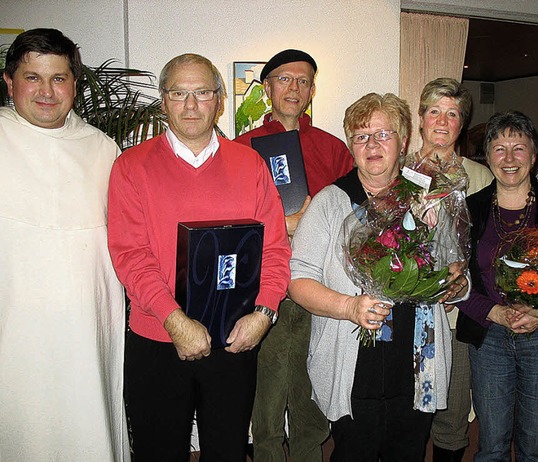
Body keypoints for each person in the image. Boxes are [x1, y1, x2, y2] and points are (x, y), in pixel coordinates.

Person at [107, 53, 290, 462]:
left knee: (226, 451)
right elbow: (131, 256)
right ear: (163, 100)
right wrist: (175, 320)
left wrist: (264, 314)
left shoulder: (251, 164)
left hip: (235, 338)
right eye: (179, 93)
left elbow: (276, 250)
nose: (191, 105)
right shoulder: (131, 167)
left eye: (202, 92)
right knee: (158, 452)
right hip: (157, 338)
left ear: (219, 99)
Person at [288, 93, 469, 462]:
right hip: (353, 370)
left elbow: (453, 265)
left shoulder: (427, 199)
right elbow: (297, 281)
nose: (372, 144)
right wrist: (349, 306)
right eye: (361, 136)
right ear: (351, 145)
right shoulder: (330, 201)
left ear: (403, 141)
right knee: (354, 451)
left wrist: (457, 285)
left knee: (409, 452)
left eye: (384, 134)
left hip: (417, 367)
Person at [0, 28, 129, 461]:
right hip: (12, 328)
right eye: (32, 77)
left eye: (58, 78)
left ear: (75, 84)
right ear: (9, 82)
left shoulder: (103, 149)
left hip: (86, 327)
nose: (46, 91)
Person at [235, 49, 353, 461]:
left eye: (303, 81)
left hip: (319, 284)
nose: (294, 88)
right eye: (284, 79)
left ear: (312, 90)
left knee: (311, 387)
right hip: (265, 285)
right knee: (267, 391)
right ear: (267, 87)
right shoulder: (242, 148)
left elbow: (354, 216)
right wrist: (281, 224)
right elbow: (228, 221)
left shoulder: (333, 148)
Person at [455, 111, 538, 461]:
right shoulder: (471, 208)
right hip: (490, 338)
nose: (509, 158)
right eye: (499, 149)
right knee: (492, 443)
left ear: (534, 154)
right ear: (488, 155)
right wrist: (494, 312)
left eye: (519, 148)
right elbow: (456, 283)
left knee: (535, 445)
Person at [406, 77, 493, 462]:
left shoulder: (481, 178)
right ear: (421, 117)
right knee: (404, 416)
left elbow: (489, 252)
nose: (442, 121)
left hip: (457, 317)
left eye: (453, 114)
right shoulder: (397, 170)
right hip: (403, 316)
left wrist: (463, 281)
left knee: (452, 416)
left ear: (462, 123)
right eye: (435, 111)